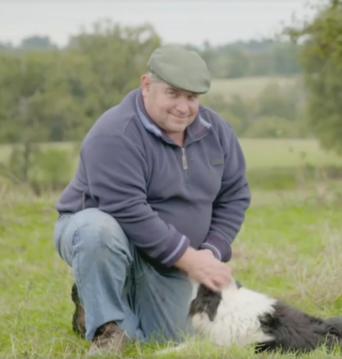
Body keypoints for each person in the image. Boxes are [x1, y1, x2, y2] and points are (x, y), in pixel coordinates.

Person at [52, 44, 251, 356]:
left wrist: (210, 253)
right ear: (147, 86)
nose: (183, 107)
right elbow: (127, 210)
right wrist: (191, 260)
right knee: (97, 231)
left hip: (170, 256)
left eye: (192, 97)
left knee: (176, 337)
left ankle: (93, 303)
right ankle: (105, 328)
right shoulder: (115, 133)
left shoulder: (218, 132)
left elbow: (235, 195)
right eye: (173, 93)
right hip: (107, 235)